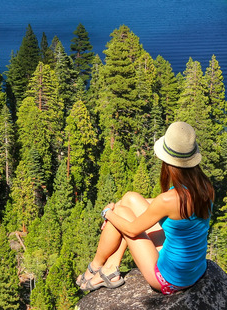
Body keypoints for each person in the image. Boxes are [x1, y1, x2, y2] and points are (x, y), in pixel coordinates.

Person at [76, 121, 215, 295]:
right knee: (129, 198)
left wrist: (108, 213)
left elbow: (132, 230)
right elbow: (156, 206)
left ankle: (96, 266)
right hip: (194, 270)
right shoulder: (206, 187)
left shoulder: (168, 200)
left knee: (121, 214)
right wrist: (119, 206)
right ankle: (110, 267)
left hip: (170, 280)